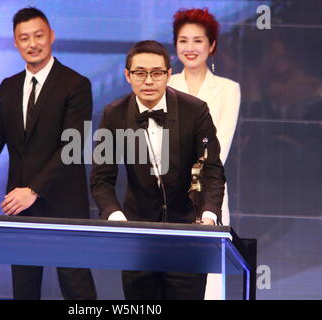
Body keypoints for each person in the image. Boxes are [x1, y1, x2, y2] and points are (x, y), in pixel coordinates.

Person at [0, 7, 97, 300]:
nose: (32, 43)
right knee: (24, 288)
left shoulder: (76, 85)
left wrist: (34, 189)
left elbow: (72, 147)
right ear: (15, 42)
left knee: (77, 287)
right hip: (19, 206)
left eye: (38, 35)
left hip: (64, 203)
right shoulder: (9, 87)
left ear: (51, 36)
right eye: (24, 38)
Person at [90, 40, 225, 300]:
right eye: (140, 73)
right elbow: (101, 178)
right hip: (137, 238)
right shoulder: (114, 114)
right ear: (127, 75)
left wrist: (208, 216)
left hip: (187, 235)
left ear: (168, 74)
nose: (148, 81)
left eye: (157, 73)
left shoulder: (195, 110)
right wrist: (118, 221)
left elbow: (211, 169)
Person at [167, 7, 241, 300]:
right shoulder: (165, 85)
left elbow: (218, 146)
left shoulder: (228, 89)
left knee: (209, 280)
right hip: (166, 192)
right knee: (168, 272)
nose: (190, 47)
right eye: (183, 40)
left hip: (210, 190)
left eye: (198, 41)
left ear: (211, 46)